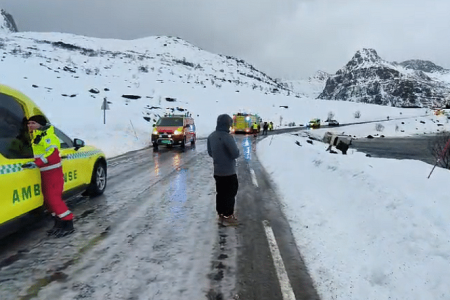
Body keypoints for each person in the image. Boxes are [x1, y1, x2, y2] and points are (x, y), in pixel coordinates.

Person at [25, 115, 74, 237]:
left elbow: (53, 155)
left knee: (54, 199)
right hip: (45, 173)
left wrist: (37, 163)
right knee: (48, 201)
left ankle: (68, 223)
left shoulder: (48, 136)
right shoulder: (37, 136)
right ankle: (58, 224)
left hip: (53, 173)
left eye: (32, 123)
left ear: (40, 124)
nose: (29, 125)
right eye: (29, 123)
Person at [207, 114, 240, 225]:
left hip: (217, 171)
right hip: (229, 172)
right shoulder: (227, 137)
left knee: (220, 193)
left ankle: (221, 213)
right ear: (227, 124)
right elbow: (235, 154)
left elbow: (210, 153)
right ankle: (228, 215)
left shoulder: (211, 136)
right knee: (230, 193)